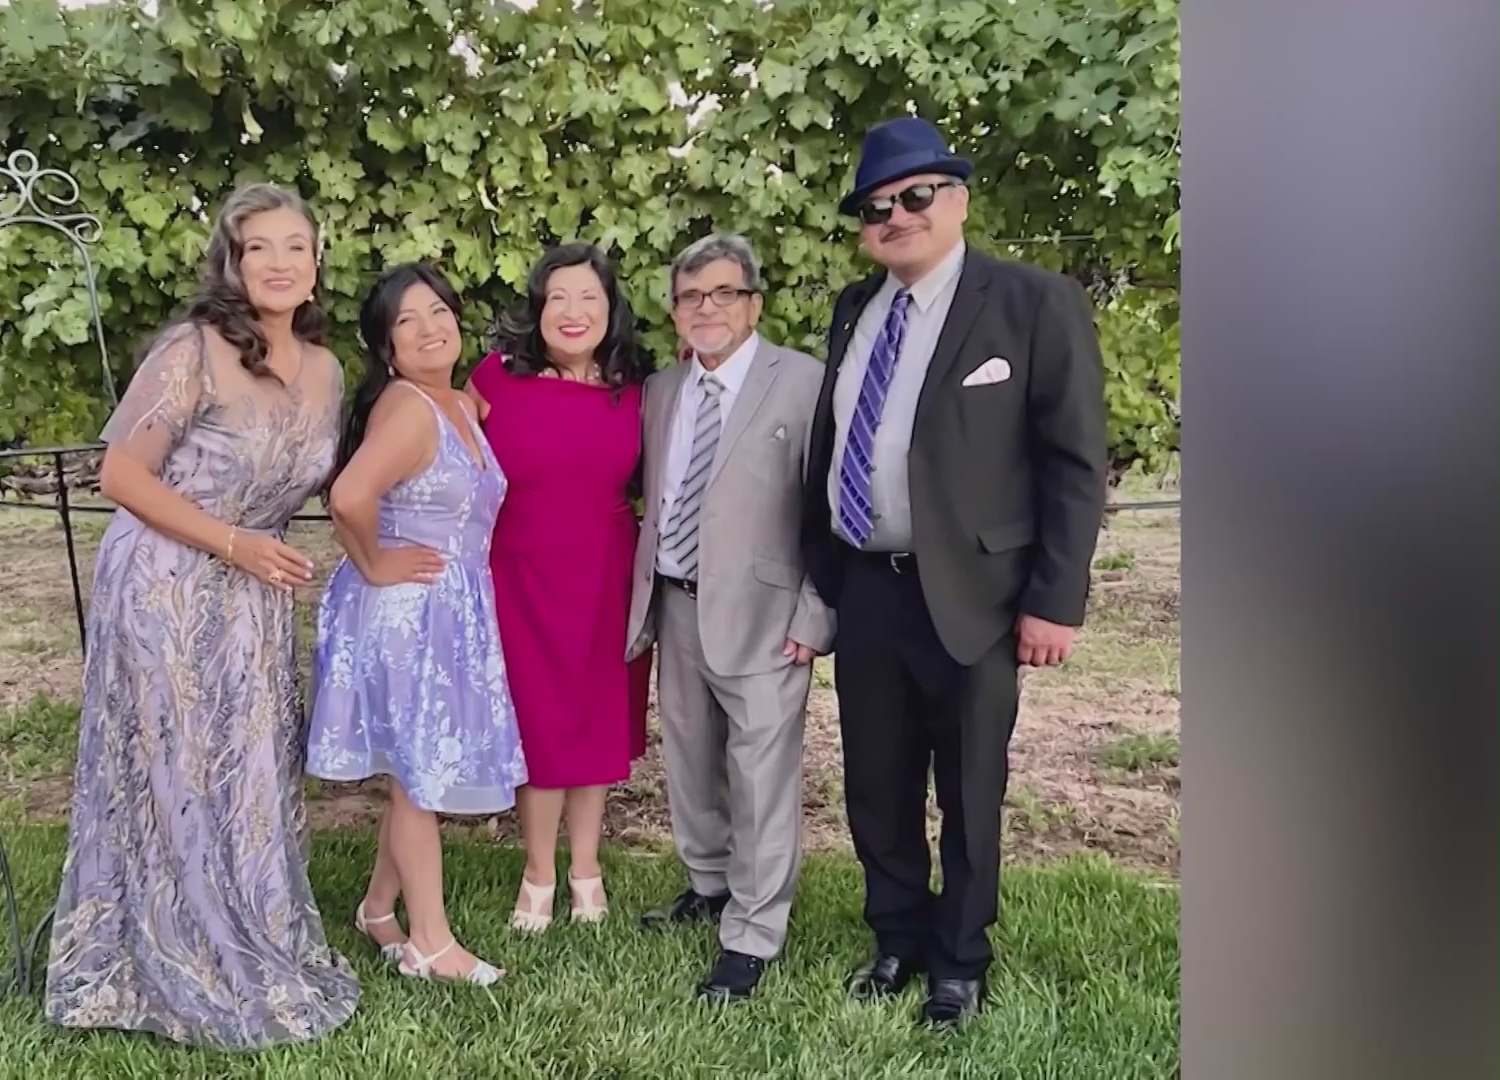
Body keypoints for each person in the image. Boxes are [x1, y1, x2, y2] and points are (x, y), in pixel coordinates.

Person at [801, 117, 1109, 1028]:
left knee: (971, 786)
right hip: (867, 586)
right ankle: (896, 936)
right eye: (876, 206)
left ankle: (959, 960)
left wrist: (1055, 601)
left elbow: (1072, 462)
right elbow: (834, 440)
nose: (895, 215)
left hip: (976, 597)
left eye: (915, 196)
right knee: (876, 782)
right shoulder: (855, 310)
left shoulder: (1030, 303)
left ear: (959, 198)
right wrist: (824, 572)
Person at [43, 184, 360, 1049]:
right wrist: (232, 543)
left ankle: (254, 931)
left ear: (317, 261)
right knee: (176, 766)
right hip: (168, 579)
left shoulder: (329, 371)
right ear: (233, 259)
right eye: (261, 247)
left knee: (249, 767)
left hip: (253, 591)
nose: (282, 262)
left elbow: (334, 485)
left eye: (297, 245)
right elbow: (121, 476)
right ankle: (172, 950)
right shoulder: (193, 349)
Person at [624, 233, 833, 1001]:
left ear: (755, 303)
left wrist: (816, 612)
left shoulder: (806, 383)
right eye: (689, 297)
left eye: (722, 293)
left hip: (768, 616)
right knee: (689, 761)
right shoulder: (661, 391)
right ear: (675, 311)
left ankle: (753, 932)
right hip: (676, 604)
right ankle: (708, 885)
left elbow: (829, 509)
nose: (705, 308)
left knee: (759, 775)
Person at [306, 262, 524, 987]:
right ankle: (430, 943)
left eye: (439, 311)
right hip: (407, 611)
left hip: (449, 605)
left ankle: (377, 909)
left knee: (414, 770)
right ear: (386, 348)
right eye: (408, 320)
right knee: (418, 779)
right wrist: (374, 564)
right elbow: (349, 496)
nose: (430, 328)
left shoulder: (461, 402)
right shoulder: (407, 407)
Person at [465, 243, 654, 932]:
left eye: (589, 299)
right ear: (538, 309)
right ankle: (538, 871)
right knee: (538, 721)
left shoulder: (637, 387)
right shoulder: (494, 378)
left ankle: (588, 867)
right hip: (519, 570)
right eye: (558, 299)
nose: (573, 313)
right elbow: (437, 444)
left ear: (611, 310)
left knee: (597, 718)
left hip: (607, 569)